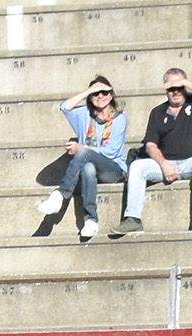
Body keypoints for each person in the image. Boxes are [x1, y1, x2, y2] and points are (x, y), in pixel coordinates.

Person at [113, 68, 192, 237]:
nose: (175, 91)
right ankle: (132, 219)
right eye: (171, 88)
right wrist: (164, 165)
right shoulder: (157, 112)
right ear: (165, 89)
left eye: (179, 87)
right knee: (137, 166)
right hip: (166, 164)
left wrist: (183, 82)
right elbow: (150, 145)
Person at [37, 75, 128, 240]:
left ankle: (60, 194)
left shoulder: (119, 118)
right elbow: (65, 107)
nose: (100, 96)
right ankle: (91, 220)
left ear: (111, 95)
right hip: (91, 168)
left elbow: (112, 151)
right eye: (96, 94)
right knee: (87, 167)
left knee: (84, 153)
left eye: (104, 92)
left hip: (114, 169)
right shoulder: (84, 115)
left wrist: (83, 148)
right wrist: (89, 90)